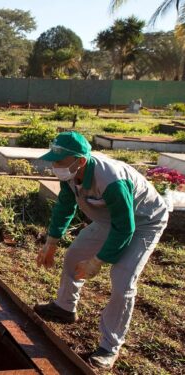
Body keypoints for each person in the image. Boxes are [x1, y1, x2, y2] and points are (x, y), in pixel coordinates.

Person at [33, 132, 169, 369]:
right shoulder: (71, 174)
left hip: (144, 221)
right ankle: (65, 307)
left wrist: (98, 261)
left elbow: (126, 228)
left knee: (123, 278)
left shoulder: (112, 180)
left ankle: (109, 347)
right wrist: (51, 242)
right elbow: (65, 205)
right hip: (110, 220)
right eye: (54, 161)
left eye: (60, 162)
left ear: (81, 161)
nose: (56, 167)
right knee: (74, 255)